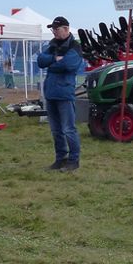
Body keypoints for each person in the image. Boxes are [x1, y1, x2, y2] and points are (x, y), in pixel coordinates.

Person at [37, 16, 83, 172]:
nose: (54, 32)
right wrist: (55, 59)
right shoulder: (53, 46)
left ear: (66, 29)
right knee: (56, 130)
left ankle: (73, 161)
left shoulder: (75, 47)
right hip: (51, 93)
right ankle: (60, 159)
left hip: (64, 93)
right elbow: (40, 60)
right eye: (53, 29)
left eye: (57, 29)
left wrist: (52, 63)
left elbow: (69, 65)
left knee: (69, 129)